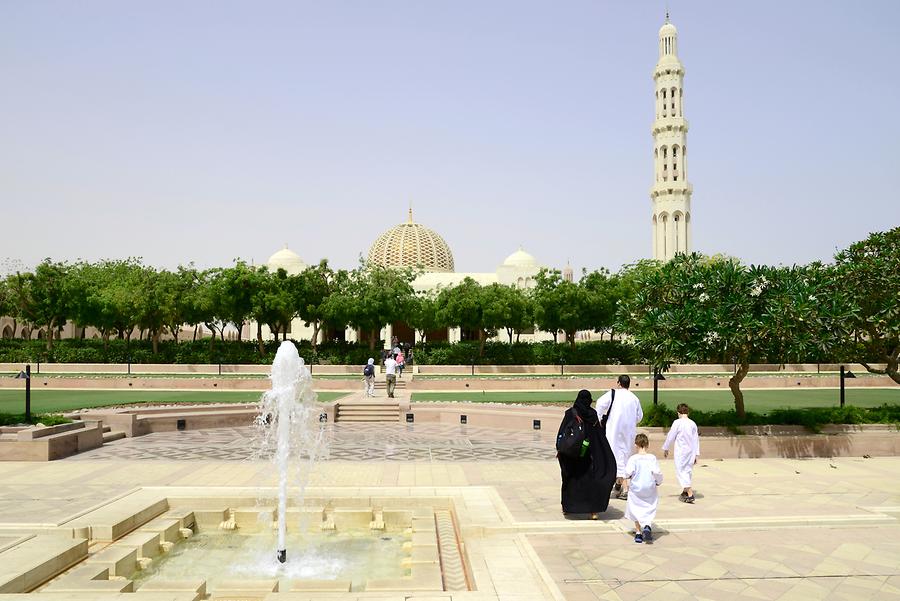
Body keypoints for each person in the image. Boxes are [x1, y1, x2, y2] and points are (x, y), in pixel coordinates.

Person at [556, 389, 617, 518]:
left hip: (572, 455)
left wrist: (560, 450)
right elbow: (598, 436)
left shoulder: (570, 413)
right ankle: (592, 511)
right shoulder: (592, 414)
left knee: (570, 480)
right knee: (590, 481)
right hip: (587, 455)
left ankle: (567, 507)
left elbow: (562, 433)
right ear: (589, 400)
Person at [596, 375, 644, 499]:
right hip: (629, 432)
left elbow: (600, 405)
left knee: (614, 457)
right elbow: (639, 416)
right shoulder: (634, 398)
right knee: (626, 457)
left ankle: (625, 487)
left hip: (614, 430)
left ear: (618, 383)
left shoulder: (613, 394)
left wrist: (600, 419)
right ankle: (619, 483)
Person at [624, 433, 663, 543]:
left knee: (635, 507)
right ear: (647, 445)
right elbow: (657, 472)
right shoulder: (652, 458)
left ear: (636, 445)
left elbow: (627, 473)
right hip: (649, 486)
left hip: (636, 487)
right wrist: (658, 482)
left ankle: (638, 532)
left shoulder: (633, 459)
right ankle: (647, 525)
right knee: (649, 506)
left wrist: (626, 484)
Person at [662, 403, 700, 503]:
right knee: (687, 471)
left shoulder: (677, 423)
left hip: (681, 451)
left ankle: (690, 493)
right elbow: (696, 439)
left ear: (678, 412)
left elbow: (671, 436)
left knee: (681, 471)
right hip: (691, 451)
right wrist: (696, 454)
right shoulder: (692, 423)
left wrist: (666, 448)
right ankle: (685, 492)